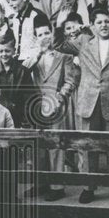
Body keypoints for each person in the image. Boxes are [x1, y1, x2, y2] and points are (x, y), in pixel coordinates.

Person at [55, 9, 109, 204]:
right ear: (92, 24)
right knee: (87, 146)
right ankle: (88, 187)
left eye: (107, 21)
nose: (104, 25)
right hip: (87, 101)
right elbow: (58, 44)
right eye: (99, 22)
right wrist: (60, 24)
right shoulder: (83, 42)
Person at [26, 20, 79, 200]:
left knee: (56, 146)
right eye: (40, 34)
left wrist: (60, 96)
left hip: (56, 105)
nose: (44, 37)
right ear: (36, 38)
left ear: (52, 34)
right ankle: (40, 183)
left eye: (47, 33)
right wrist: (39, 52)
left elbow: (71, 81)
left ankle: (57, 186)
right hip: (37, 105)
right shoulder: (33, 56)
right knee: (38, 146)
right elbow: (23, 71)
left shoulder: (64, 56)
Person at [0, 32, 32, 127]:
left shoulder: (23, 72)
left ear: (14, 51)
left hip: (17, 119)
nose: (4, 54)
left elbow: (28, 101)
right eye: (1, 51)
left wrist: (25, 124)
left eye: (7, 51)